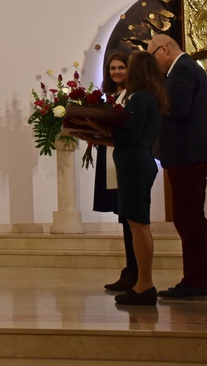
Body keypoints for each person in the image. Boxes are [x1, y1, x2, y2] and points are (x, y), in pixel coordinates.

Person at [76, 51, 168, 306]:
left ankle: (144, 285)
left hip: (135, 164)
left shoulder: (139, 99)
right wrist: (98, 137)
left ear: (137, 70)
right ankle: (141, 283)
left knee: (139, 225)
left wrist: (99, 128)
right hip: (138, 160)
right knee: (137, 223)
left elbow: (128, 138)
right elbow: (130, 137)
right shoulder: (152, 97)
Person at [147, 34, 207, 300]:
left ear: (164, 49)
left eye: (152, 55)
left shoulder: (182, 70)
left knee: (188, 219)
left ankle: (197, 283)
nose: (154, 64)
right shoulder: (186, 69)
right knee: (191, 219)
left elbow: (177, 109)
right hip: (188, 154)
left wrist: (152, 99)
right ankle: (202, 281)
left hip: (188, 155)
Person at [93, 52, 138, 292]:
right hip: (112, 157)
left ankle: (135, 271)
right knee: (124, 217)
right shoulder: (114, 96)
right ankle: (130, 270)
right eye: (113, 68)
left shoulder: (132, 96)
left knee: (129, 217)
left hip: (124, 159)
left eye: (121, 67)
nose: (117, 72)